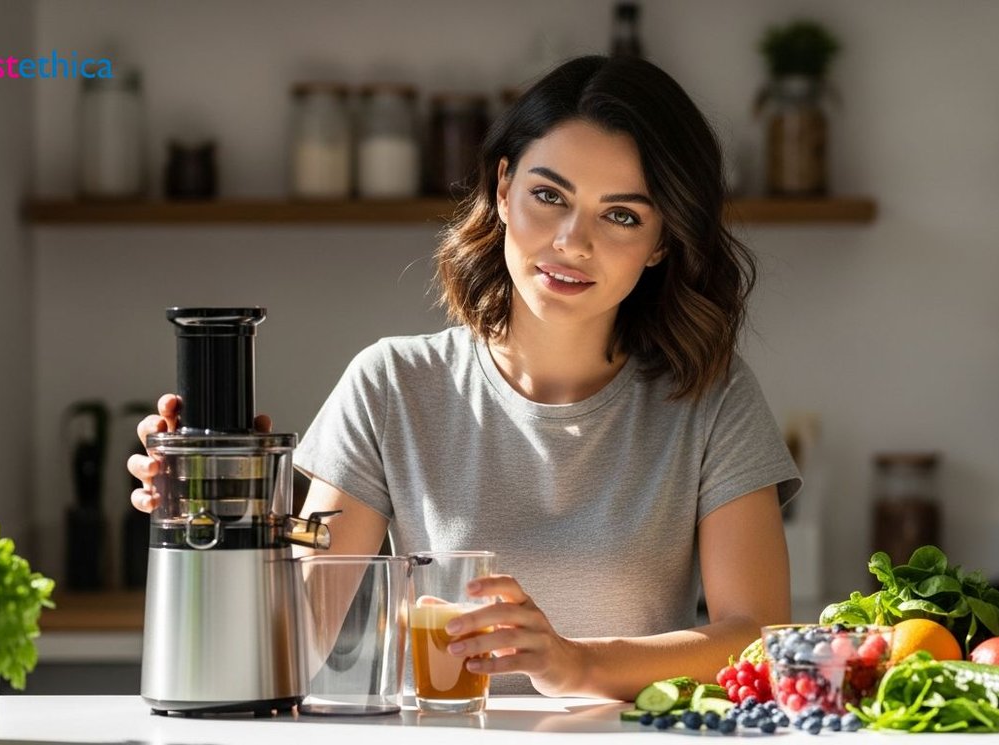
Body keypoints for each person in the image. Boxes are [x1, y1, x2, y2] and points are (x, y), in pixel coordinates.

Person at [128, 55, 800, 701]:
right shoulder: (391, 384)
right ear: (503, 188)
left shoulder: (711, 397)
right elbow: (292, 637)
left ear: (661, 241)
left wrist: (575, 662)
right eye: (549, 195)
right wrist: (216, 517)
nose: (572, 240)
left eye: (621, 214)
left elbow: (756, 637)